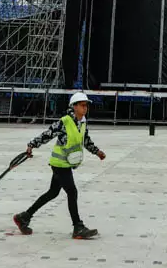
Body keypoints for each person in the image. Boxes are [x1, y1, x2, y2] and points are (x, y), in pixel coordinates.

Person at [13, 92, 106, 239]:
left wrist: (97, 152)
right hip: (59, 164)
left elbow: (86, 140)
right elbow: (48, 134)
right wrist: (32, 145)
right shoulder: (65, 121)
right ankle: (78, 227)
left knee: (53, 192)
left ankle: (24, 216)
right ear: (74, 107)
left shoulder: (82, 122)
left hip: (65, 163)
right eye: (82, 105)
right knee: (72, 192)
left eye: (86, 105)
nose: (85, 108)